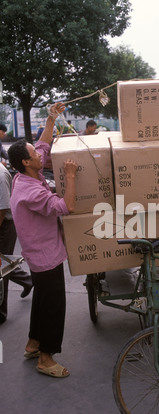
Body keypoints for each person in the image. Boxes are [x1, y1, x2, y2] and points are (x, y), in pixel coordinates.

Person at [8, 102, 78, 377]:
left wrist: (51, 117)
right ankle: (46, 359)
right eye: (32, 154)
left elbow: (44, 143)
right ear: (27, 162)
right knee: (53, 305)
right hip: (45, 256)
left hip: (38, 255)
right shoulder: (31, 192)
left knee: (41, 300)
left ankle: (33, 343)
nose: (39, 153)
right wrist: (70, 176)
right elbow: (66, 207)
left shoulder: (23, 176)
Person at [0, 162, 33, 324]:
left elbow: (2, 209)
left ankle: (0, 312)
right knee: (3, 263)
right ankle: (27, 280)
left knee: (1, 268)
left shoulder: (0, 174)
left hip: (4, 225)